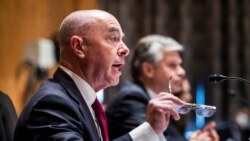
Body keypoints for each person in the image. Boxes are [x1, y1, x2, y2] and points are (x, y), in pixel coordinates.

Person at [14, 10, 186, 141]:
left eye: (122, 39)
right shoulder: (52, 103)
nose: (125, 49)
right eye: (113, 38)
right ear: (79, 47)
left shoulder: (81, 100)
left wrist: (152, 129)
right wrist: (149, 130)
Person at [105, 35, 219, 141]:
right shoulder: (131, 98)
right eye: (172, 65)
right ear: (148, 70)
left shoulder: (158, 99)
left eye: (180, 65)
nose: (182, 72)